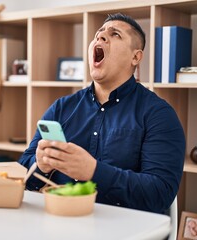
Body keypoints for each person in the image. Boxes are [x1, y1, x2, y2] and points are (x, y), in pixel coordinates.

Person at [18, 13, 186, 213]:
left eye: (115, 34)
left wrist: (94, 171)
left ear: (136, 57)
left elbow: (159, 194)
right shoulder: (61, 108)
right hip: (58, 220)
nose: (101, 37)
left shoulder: (159, 115)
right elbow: (22, 174)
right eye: (98, 34)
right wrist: (40, 165)